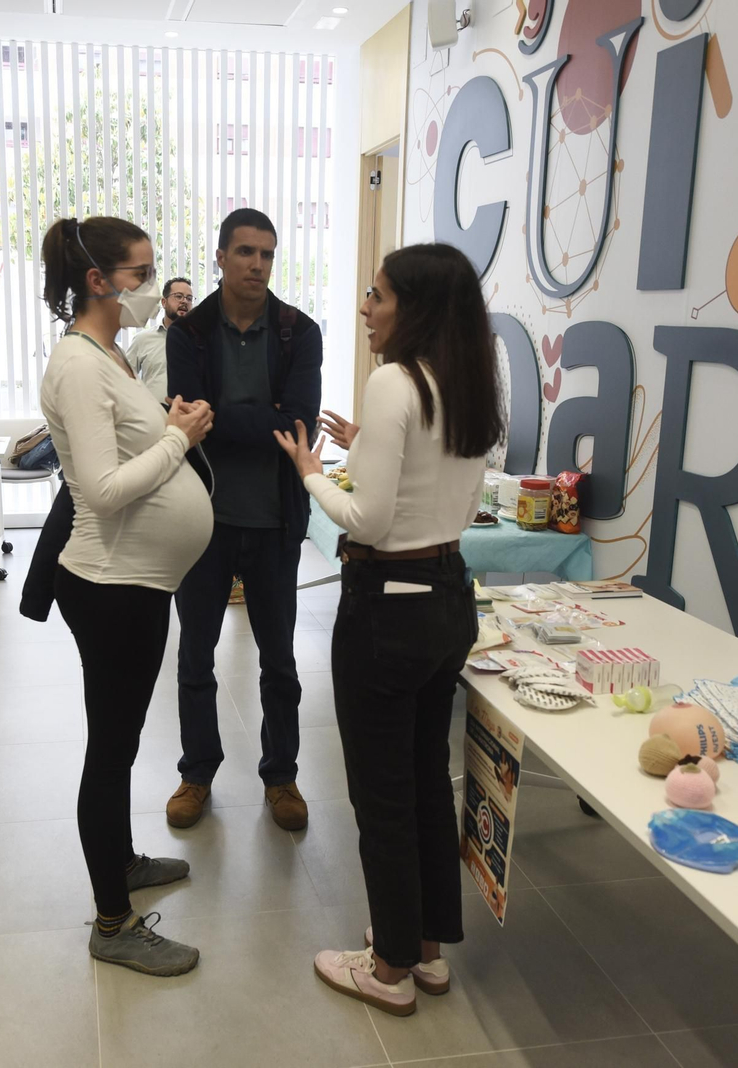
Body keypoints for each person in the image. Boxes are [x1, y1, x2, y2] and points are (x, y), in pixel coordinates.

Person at [276, 243, 504, 1018]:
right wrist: (366, 445)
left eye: (376, 296)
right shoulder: (467, 384)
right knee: (423, 782)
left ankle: (389, 967)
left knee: (381, 795)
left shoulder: (392, 381)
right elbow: (434, 493)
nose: (366, 309)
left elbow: (369, 518)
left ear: (414, 306)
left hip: (387, 608)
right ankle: (429, 948)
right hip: (447, 600)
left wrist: (311, 470)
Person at [40, 215, 215, 977]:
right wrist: (182, 441)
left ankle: (122, 861)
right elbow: (105, 492)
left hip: (138, 584)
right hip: (110, 585)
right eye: (139, 274)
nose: (150, 286)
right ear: (97, 281)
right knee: (111, 752)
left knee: (122, 743)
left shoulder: (108, 355)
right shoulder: (80, 364)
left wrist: (168, 428)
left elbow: (127, 447)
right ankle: (112, 921)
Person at [164, 208, 322, 832]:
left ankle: (280, 775)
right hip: (201, 522)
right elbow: (187, 416)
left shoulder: (297, 332)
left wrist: (224, 416)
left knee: (279, 660)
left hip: (276, 521)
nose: (258, 264)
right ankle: (196, 773)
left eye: (268, 254)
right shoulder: (191, 331)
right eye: (246, 252)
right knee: (196, 655)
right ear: (222, 257)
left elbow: (298, 422)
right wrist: (265, 417)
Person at [125, 276, 193, 403]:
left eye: (189, 298)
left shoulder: (200, 340)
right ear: (163, 302)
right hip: (152, 416)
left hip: (190, 416)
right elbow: (125, 380)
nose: (184, 301)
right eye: (178, 296)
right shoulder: (143, 339)